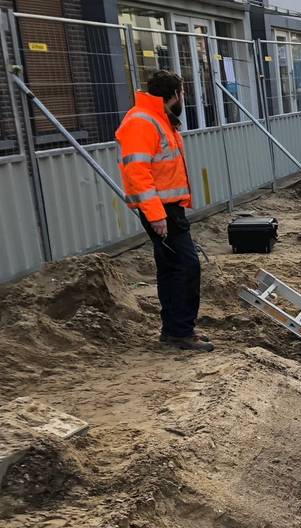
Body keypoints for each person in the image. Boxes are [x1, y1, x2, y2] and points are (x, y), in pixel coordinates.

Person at [116, 70, 211, 352]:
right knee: (185, 266)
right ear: (174, 95)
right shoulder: (143, 122)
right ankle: (180, 332)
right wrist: (156, 214)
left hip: (169, 207)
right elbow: (137, 171)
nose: (184, 99)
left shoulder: (159, 119)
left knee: (172, 268)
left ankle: (174, 330)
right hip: (161, 209)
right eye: (183, 94)